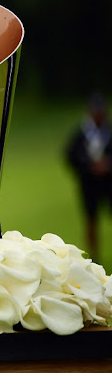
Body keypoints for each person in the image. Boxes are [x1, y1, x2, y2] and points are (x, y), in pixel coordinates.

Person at [65, 92, 112, 262]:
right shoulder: (81, 134)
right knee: (91, 219)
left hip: (109, 182)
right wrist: (89, 166)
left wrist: (107, 165)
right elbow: (70, 156)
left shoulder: (109, 132)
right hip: (89, 183)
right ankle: (94, 255)